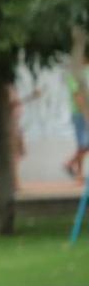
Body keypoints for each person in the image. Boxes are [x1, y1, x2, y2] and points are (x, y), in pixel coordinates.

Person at [64, 27, 89, 180]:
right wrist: (86, 114)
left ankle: (77, 172)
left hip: (85, 112)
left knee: (83, 144)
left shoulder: (85, 72)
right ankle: (70, 164)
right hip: (80, 113)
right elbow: (77, 95)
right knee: (83, 144)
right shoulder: (74, 74)